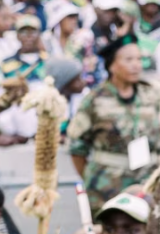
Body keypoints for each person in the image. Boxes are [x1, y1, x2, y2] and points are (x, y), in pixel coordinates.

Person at [68, 34, 160, 214]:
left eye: (139, 59)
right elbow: (77, 149)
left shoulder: (152, 94)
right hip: (107, 189)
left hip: (149, 186)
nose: (136, 65)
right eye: (129, 59)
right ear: (112, 65)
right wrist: (96, 179)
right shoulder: (95, 99)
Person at [1, 15, 50, 83]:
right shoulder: (6, 64)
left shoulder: (48, 60)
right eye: (23, 32)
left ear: (39, 34)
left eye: (33, 32)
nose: (28, 36)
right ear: (17, 36)